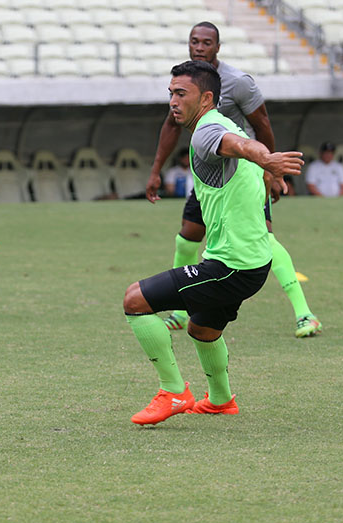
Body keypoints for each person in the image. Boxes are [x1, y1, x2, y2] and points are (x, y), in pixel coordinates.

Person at [124, 60, 304, 426]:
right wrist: (266, 166)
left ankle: (173, 391)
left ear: (205, 98)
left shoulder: (208, 132)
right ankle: (221, 400)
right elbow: (244, 143)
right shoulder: (223, 122)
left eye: (181, 94)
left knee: (135, 300)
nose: (172, 101)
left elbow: (237, 145)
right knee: (202, 329)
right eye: (170, 93)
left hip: (231, 267)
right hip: (252, 261)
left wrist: (266, 159)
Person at [145, 22, 321, 339]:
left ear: (218, 47)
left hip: (243, 173)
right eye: (194, 41)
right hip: (209, 176)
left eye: (206, 42)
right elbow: (171, 126)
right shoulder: (184, 83)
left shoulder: (238, 82)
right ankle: (180, 311)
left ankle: (304, 312)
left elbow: (262, 124)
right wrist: (156, 169)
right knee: (186, 238)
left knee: (262, 238)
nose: (199, 47)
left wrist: (269, 166)